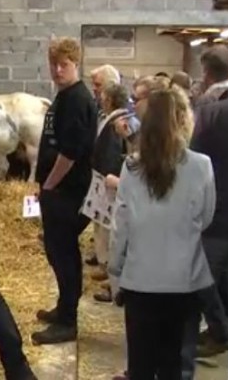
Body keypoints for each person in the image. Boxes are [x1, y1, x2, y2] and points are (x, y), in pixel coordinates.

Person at [108, 85, 216, 380]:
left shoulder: (132, 168)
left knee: (140, 365)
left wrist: (115, 271)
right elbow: (205, 218)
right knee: (174, 367)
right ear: (184, 120)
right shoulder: (202, 167)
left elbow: (121, 226)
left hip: (140, 282)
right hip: (185, 282)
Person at [32, 37, 97, 345]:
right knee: (58, 253)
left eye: (64, 65)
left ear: (76, 64)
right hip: (58, 191)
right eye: (54, 65)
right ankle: (63, 308)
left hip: (67, 192)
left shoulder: (77, 99)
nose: (58, 70)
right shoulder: (65, 96)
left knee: (65, 254)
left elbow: (70, 153)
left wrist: (48, 185)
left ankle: (68, 321)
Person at [187, 44, 228, 372]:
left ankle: (182, 369)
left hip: (216, 224)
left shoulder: (212, 113)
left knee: (192, 300)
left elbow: (193, 173)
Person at [86, 83, 132, 296]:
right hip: (104, 179)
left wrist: (108, 177)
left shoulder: (118, 121)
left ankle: (113, 281)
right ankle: (107, 271)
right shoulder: (111, 117)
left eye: (104, 95)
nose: (101, 98)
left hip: (109, 181)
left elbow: (113, 152)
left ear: (111, 99)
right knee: (102, 228)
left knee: (109, 230)